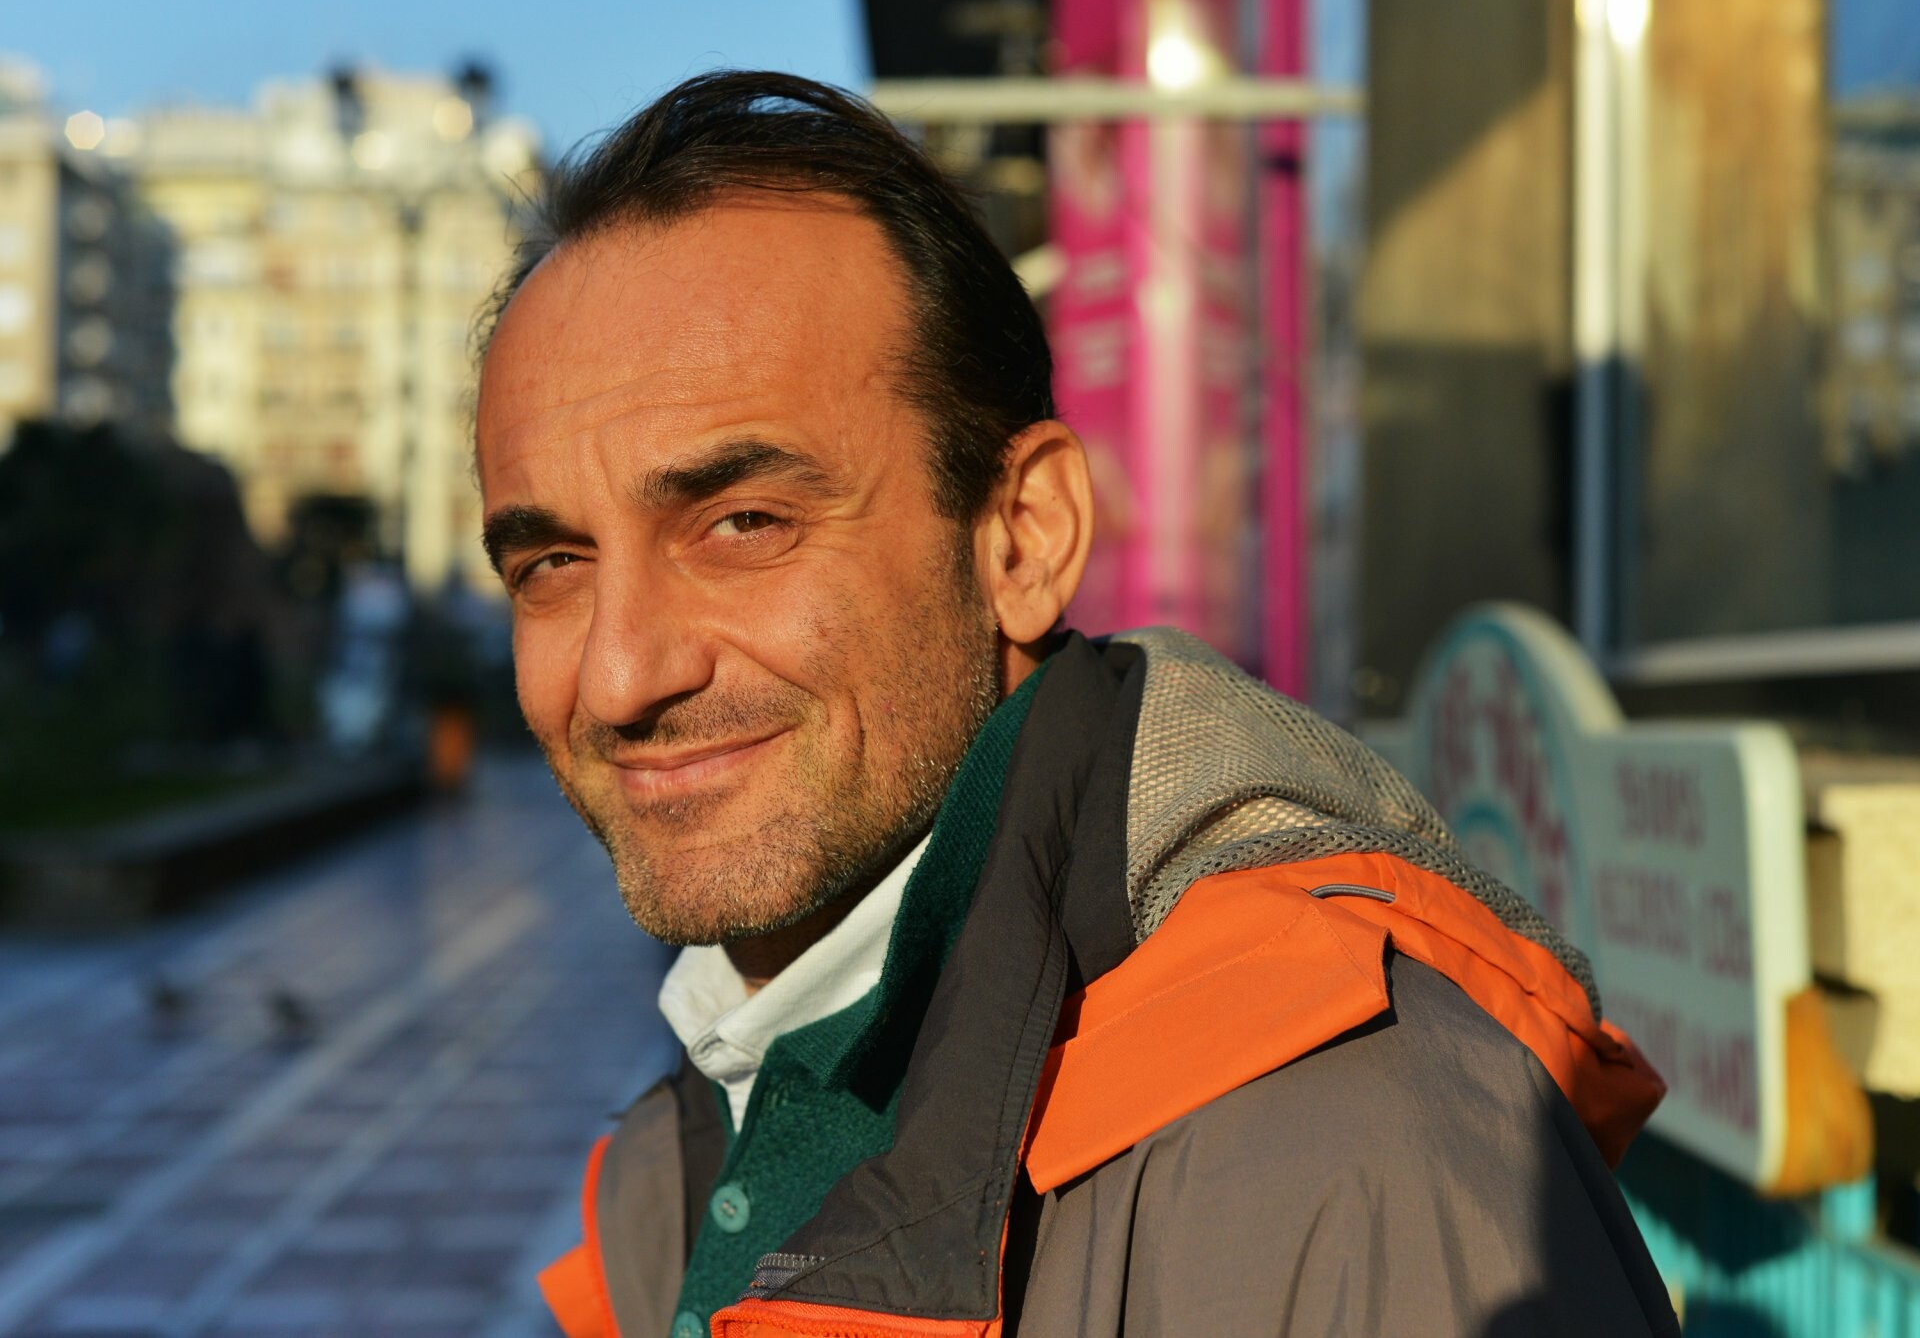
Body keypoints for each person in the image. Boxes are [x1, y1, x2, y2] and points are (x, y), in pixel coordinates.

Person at [473, 70, 1677, 1338]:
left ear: (1022, 537)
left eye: (744, 524)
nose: (619, 677)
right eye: (551, 564)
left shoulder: (1353, 1155)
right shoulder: (682, 1157)